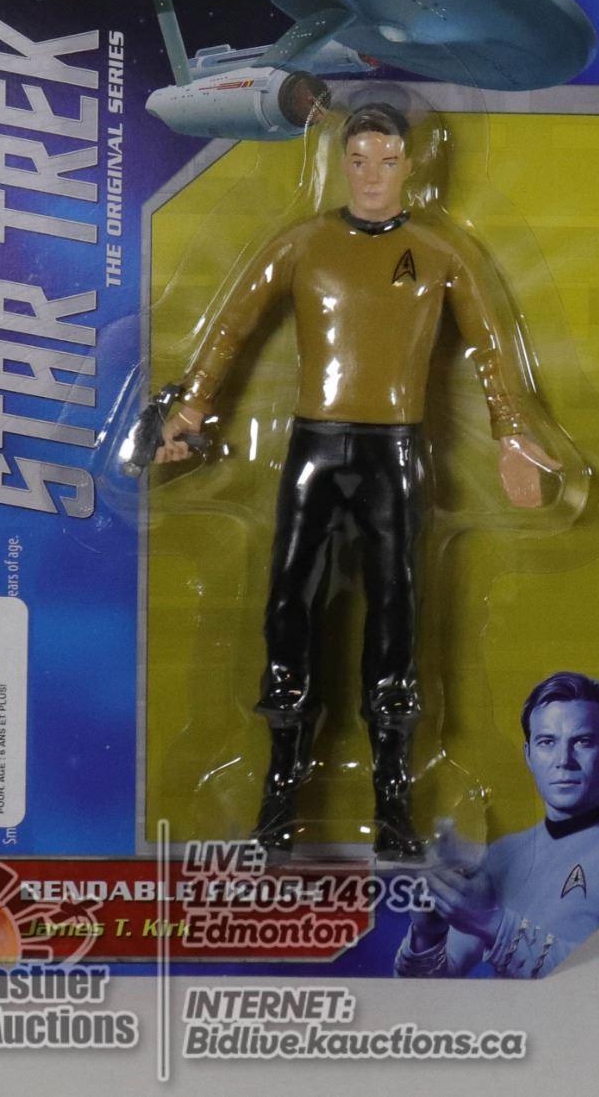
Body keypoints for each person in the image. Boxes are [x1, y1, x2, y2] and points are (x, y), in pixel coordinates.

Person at [153, 103, 561, 859]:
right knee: (289, 606)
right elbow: (231, 328)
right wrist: (191, 408)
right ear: (342, 164)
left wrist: (513, 434)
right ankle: (279, 794)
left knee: (397, 611)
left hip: (394, 454)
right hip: (315, 448)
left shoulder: (438, 253)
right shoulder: (304, 244)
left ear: (410, 165)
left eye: (388, 161)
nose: (373, 175)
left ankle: (394, 804)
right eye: (360, 160)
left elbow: (492, 351)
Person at [394, 672, 599, 978]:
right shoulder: (504, 854)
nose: (563, 760)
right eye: (547, 742)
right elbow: (431, 986)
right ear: (528, 755)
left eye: (582, 742)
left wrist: (492, 922)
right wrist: (428, 936)